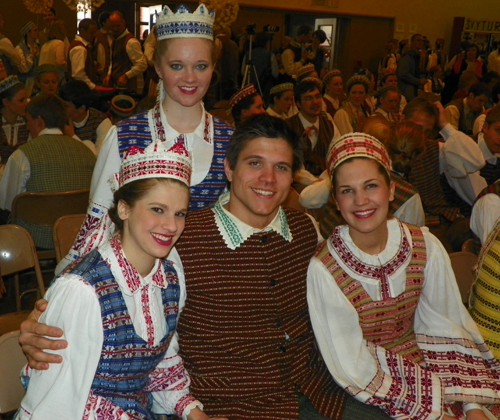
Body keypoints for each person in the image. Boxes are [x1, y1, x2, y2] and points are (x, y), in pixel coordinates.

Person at [20, 114, 393, 420]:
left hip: (321, 393)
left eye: (281, 167)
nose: (268, 179)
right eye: (254, 163)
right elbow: (106, 277)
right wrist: (43, 320)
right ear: (228, 169)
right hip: (233, 407)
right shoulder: (177, 241)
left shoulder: (304, 229)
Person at [16, 137, 225, 420]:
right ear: (124, 209)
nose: (172, 226)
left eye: (180, 214)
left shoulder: (169, 275)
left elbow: (161, 363)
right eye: (157, 209)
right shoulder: (83, 290)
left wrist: (194, 413)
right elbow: (57, 403)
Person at [308, 132, 500, 420]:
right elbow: (351, 360)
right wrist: (431, 414)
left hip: (429, 361)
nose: (361, 201)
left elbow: (443, 325)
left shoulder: (424, 246)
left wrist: (471, 405)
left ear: (390, 189)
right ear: (335, 200)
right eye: (347, 190)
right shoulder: (325, 268)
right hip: (368, 386)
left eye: (371, 186)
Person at [57, 3, 234, 273]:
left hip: (211, 282)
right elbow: (100, 224)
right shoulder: (124, 135)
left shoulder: (231, 139)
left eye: (201, 66)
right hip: (139, 281)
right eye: (177, 65)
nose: (189, 78)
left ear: (213, 68)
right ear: (158, 68)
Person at [0, 94, 95, 248]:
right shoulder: (87, 152)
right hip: (77, 234)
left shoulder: (23, 154)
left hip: (35, 238)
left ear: (39, 121)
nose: (27, 126)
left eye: (28, 120)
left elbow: (7, 202)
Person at [58, 80, 113, 153]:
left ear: (81, 108)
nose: (60, 108)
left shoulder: (101, 123)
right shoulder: (56, 116)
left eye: (65, 106)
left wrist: (72, 136)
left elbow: (100, 157)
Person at [105, 11, 147, 94]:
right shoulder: (115, 39)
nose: (115, 29)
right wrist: (109, 74)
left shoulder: (131, 42)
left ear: (124, 23)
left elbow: (142, 65)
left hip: (130, 88)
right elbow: (113, 61)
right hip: (119, 86)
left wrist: (126, 76)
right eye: (112, 26)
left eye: (118, 26)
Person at [0, 76, 29, 164]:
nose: (26, 103)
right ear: (6, 102)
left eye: (26, 99)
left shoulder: (29, 122)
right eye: (21, 100)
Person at [68, 18, 99, 91]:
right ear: (82, 31)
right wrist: (93, 86)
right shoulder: (80, 48)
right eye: (91, 32)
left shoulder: (82, 46)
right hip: (81, 90)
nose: (94, 35)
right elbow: (78, 74)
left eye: (95, 32)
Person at [397, 33, 427, 101]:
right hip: (406, 89)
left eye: (422, 41)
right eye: (418, 40)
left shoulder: (416, 56)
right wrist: (418, 81)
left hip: (413, 88)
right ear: (412, 42)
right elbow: (402, 73)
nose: (420, 42)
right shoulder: (407, 56)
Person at [16, 21, 40, 97]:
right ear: (28, 33)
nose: (37, 33)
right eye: (35, 30)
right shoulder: (20, 48)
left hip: (35, 82)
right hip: (25, 82)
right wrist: (32, 55)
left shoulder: (37, 46)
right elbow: (23, 68)